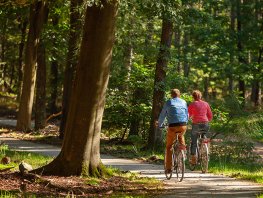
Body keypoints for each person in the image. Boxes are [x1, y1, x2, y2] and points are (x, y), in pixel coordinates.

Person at [157, 89, 188, 174]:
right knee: (181, 135)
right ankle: (183, 152)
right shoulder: (184, 102)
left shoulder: (169, 102)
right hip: (183, 125)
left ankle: (169, 168)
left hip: (172, 126)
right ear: (179, 95)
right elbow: (187, 114)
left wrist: (160, 124)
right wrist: (185, 123)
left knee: (169, 146)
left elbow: (163, 114)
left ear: (171, 95)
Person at [188, 90, 213, 165]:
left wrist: (188, 119)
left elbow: (188, 115)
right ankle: (205, 151)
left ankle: (193, 159)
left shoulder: (193, 104)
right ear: (200, 96)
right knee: (203, 137)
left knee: (194, 141)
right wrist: (206, 120)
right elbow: (210, 116)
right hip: (205, 124)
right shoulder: (206, 104)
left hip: (196, 124)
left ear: (193, 97)